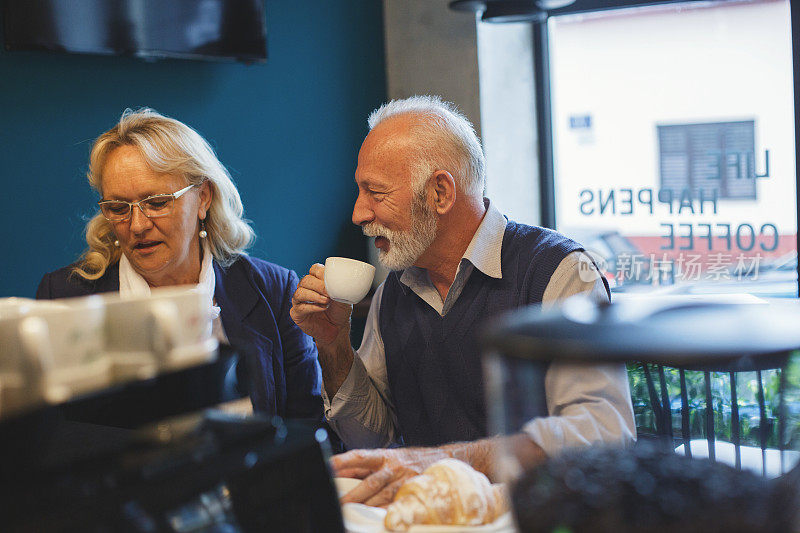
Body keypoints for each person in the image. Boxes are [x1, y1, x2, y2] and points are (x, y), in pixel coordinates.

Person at [290, 95, 635, 506]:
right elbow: (372, 439)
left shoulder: (559, 272)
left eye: (375, 192)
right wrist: (333, 344)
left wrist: (444, 460)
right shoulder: (393, 295)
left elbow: (603, 431)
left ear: (440, 191)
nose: (358, 213)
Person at [37, 108, 322, 419]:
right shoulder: (64, 298)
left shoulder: (274, 292)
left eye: (157, 203)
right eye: (119, 207)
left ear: (203, 198)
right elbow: (53, 440)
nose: (137, 225)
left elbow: (307, 430)